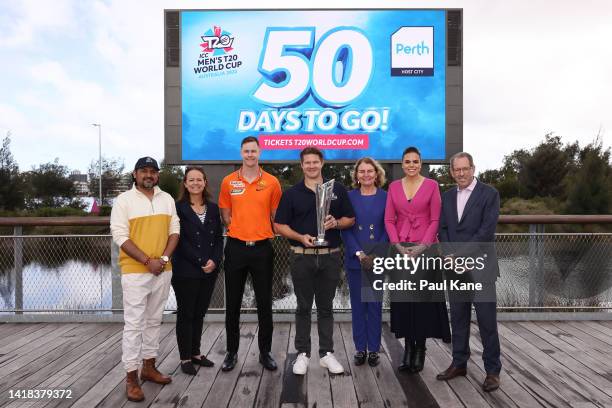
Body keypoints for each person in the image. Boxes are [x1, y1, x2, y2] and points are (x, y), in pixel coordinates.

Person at [274, 147, 355, 375]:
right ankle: (303, 354)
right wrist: (300, 237)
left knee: (326, 308)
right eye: (307, 162)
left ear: (322, 163)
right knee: (302, 307)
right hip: (301, 257)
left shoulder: (336, 189)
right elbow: (279, 225)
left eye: (315, 162)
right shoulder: (291, 193)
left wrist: (336, 223)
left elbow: (350, 219)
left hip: (330, 257)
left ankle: (326, 354)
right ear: (302, 165)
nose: (311, 166)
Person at [110, 156, 179, 402]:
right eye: (143, 171)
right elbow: (120, 235)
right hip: (135, 272)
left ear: (157, 175)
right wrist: (146, 261)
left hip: (162, 269)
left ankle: (149, 368)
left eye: (152, 171)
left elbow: (175, 231)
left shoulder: (167, 199)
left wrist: (161, 259)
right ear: (135, 174)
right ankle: (131, 377)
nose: (148, 175)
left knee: (154, 321)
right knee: (134, 325)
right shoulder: (123, 200)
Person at [436, 152, 502, 392]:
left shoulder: (490, 194)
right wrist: (448, 254)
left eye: (465, 169)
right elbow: (442, 229)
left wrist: (459, 255)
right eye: (457, 170)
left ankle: (492, 371)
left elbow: (485, 233)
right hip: (454, 269)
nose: (461, 173)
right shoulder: (447, 196)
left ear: (473, 168)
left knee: (486, 322)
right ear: (452, 172)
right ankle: (459, 363)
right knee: (459, 319)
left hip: (481, 268)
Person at [218, 136, 282, 372]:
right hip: (235, 248)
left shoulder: (273, 182)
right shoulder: (228, 182)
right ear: (241, 153)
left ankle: (265, 352)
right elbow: (225, 213)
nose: (250, 155)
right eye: (246, 151)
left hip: (263, 249)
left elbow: (276, 215)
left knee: (265, 303)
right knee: (232, 304)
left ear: (260, 152)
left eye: (254, 151)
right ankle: (231, 352)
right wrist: (239, 228)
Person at [384, 146, 450, 373]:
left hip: (425, 249)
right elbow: (389, 220)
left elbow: (435, 219)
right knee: (404, 302)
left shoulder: (432, 186)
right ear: (402, 164)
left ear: (421, 164)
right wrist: (398, 246)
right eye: (407, 161)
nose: (411, 165)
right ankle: (408, 350)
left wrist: (423, 245)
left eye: (415, 161)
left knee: (421, 303)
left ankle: (420, 350)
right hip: (401, 250)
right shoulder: (393, 187)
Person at [172, 166, 223, 375]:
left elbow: (218, 238)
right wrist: (202, 259)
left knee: (200, 313)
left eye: (199, 180)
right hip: (186, 270)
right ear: (185, 183)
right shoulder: (177, 208)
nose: (195, 183)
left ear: (204, 183)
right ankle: (185, 358)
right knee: (186, 314)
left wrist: (215, 260)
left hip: (208, 271)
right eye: (191, 180)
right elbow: (179, 241)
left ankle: (196, 353)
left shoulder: (212, 208)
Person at [341, 157, 387, 367]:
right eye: (362, 171)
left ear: (377, 174)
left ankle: (374, 349)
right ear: (356, 175)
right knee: (358, 306)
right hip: (356, 260)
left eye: (370, 171)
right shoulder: (349, 197)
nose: (366, 175)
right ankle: (360, 348)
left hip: (377, 260)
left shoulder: (386, 198)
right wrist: (358, 253)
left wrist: (376, 253)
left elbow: (389, 228)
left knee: (374, 305)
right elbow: (346, 228)